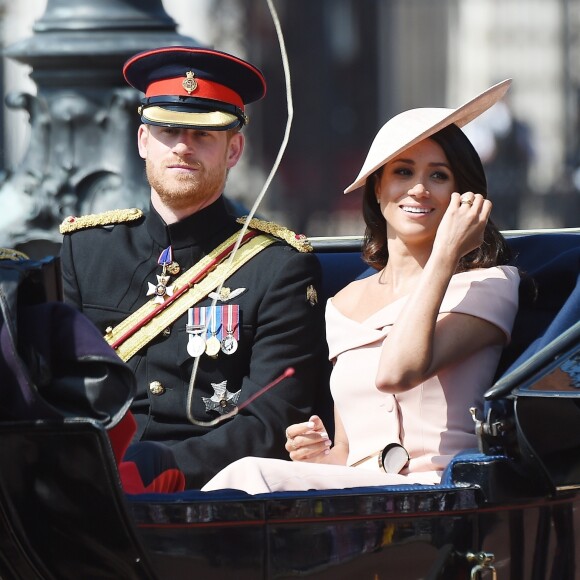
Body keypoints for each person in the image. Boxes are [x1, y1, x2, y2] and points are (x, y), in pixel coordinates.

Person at [201, 79, 520, 494]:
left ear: (462, 194)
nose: (419, 189)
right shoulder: (344, 304)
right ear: (379, 188)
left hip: (441, 492)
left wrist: (444, 256)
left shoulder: (489, 284)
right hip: (360, 498)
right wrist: (319, 455)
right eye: (403, 172)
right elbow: (348, 452)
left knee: (249, 476)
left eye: (438, 175)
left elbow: (397, 372)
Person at [59, 46, 329, 489]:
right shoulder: (84, 251)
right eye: (168, 130)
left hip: (206, 495)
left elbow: (271, 417)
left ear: (234, 149)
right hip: (90, 488)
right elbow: (57, 390)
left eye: (204, 135)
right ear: (143, 140)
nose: (183, 146)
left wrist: (165, 466)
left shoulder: (278, 266)